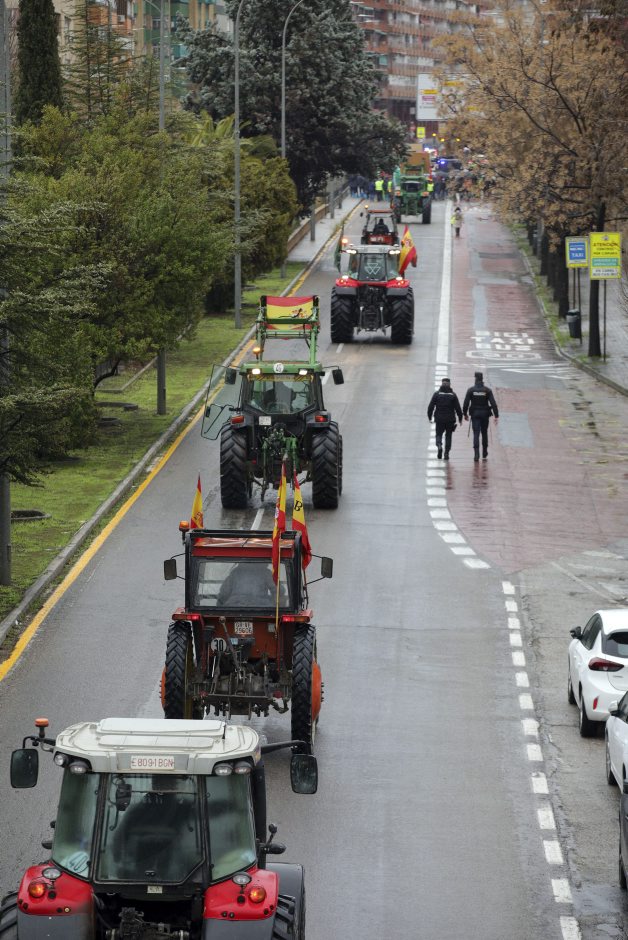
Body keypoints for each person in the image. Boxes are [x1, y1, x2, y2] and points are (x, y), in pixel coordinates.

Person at [463, 371, 499, 462]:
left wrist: (465, 414)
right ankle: (485, 451)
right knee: (484, 433)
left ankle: (476, 454)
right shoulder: (487, 390)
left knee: (476, 433)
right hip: (485, 414)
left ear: (475, 379)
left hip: (475, 414)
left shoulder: (471, 390)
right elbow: (493, 403)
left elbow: (466, 403)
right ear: (482, 379)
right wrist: (496, 415)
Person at [427, 378, 463, 460]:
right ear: (450, 385)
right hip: (450, 419)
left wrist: (430, 417)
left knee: (438, 434)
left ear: (441, 384)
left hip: (439, 419)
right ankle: (446, 453)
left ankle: (439, 445)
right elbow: (458, 408)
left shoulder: (437, 394)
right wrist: (460, 418)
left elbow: (430, 407)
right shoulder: (453, 395)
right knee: (448, 436)